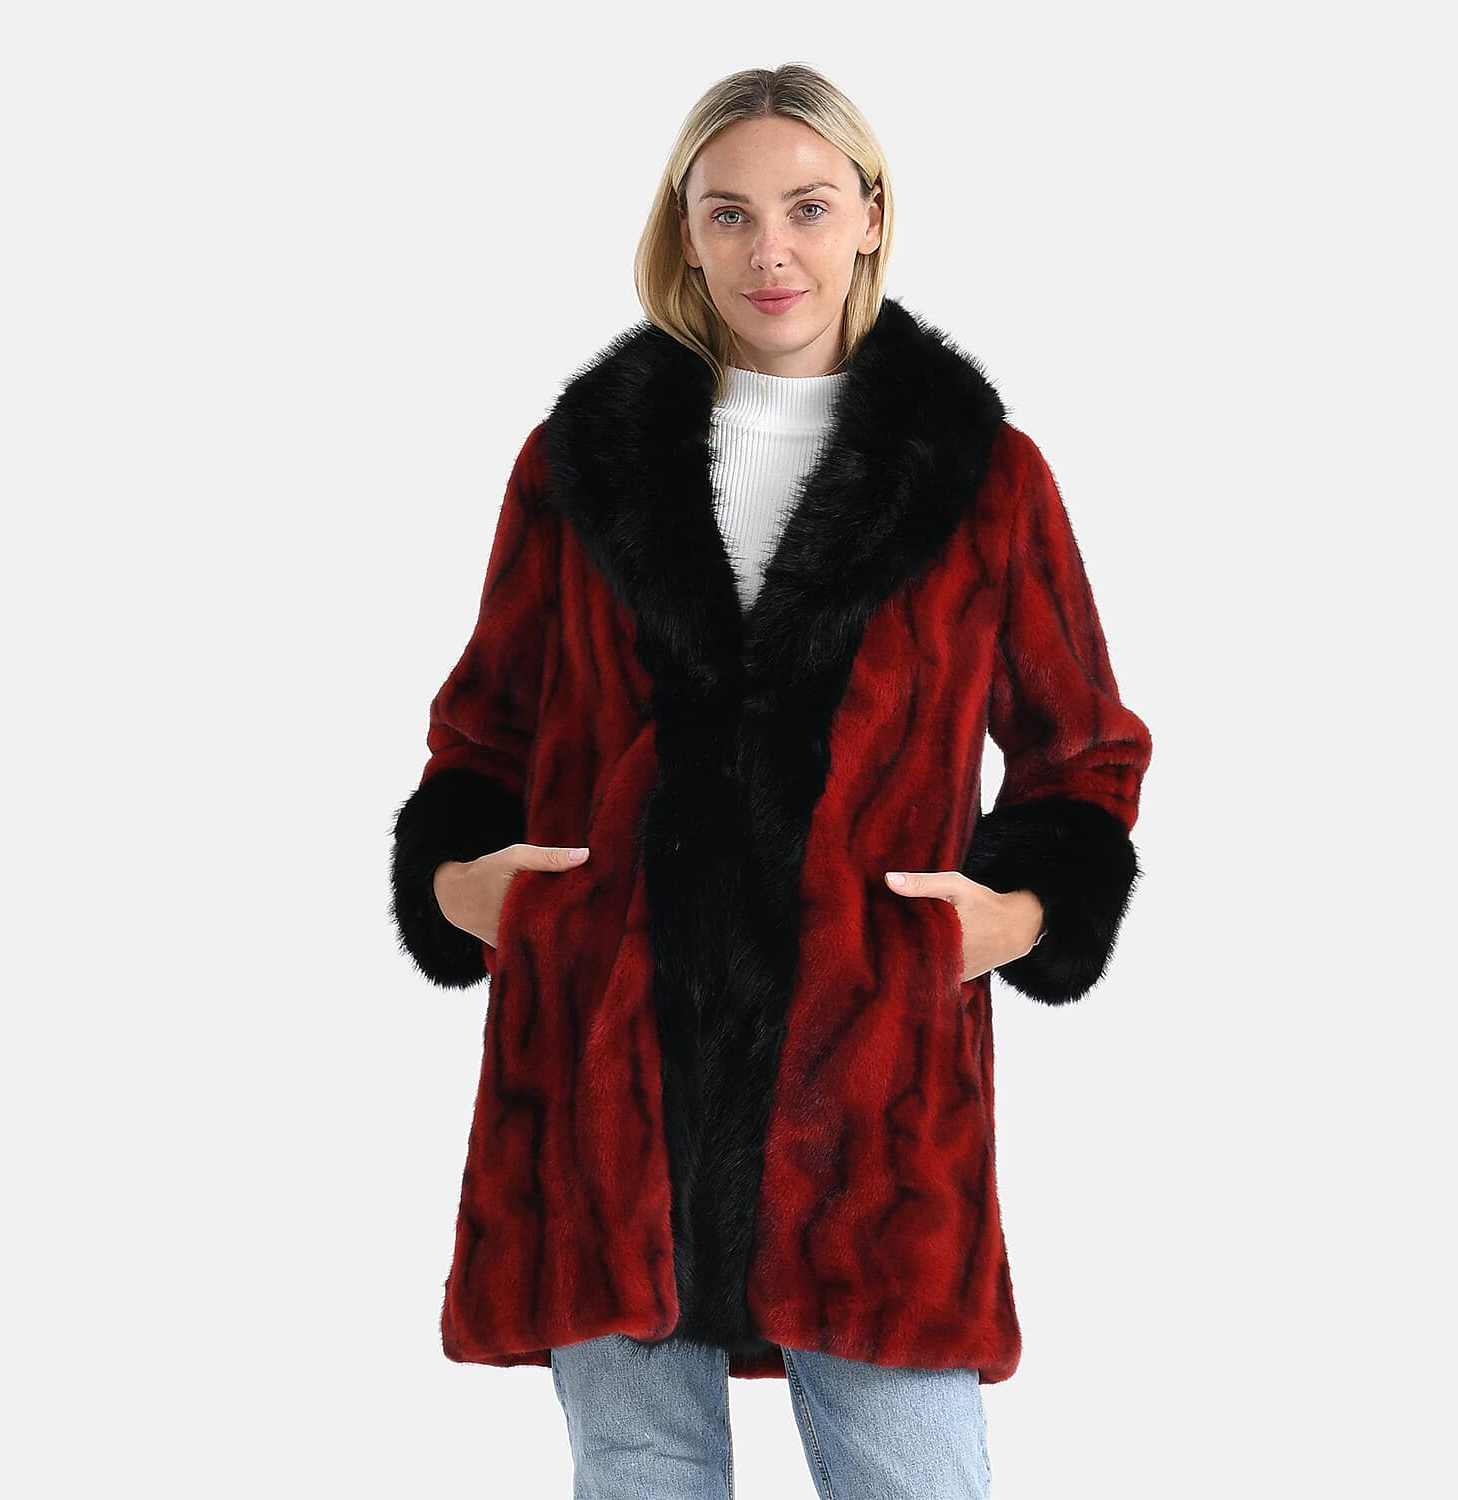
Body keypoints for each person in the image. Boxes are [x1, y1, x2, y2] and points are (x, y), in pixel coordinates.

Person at [388, 62, 1153, 1500]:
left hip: (869, 1085)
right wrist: (459, 887)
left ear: (872, 215)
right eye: (728, 213)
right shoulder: (578, 466)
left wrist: (1009, 919)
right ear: (685, 234)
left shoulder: (982, 477)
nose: (770, 250)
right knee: (639, 1471)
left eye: (807, 207)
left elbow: (1085, 750)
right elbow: (480, 732)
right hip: (607, 1071)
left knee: (915, 1473)